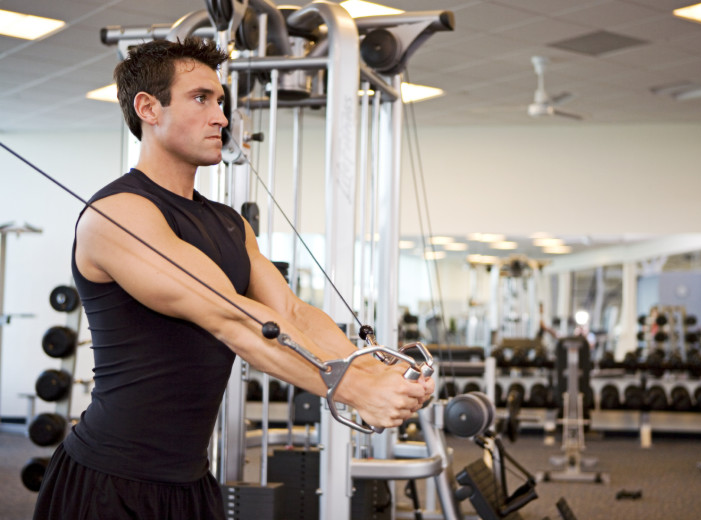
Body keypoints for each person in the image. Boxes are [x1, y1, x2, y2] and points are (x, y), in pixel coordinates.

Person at [33, 37, 434, 520]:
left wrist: (373, 369)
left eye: (220, 101)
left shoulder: (228, 223)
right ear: (148, 109)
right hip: (111, 481)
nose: (221, 117)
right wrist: (353, 390)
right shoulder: (117, 215)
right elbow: (232, 319)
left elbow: (291, 313)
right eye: (201, 98)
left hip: (190, 480)